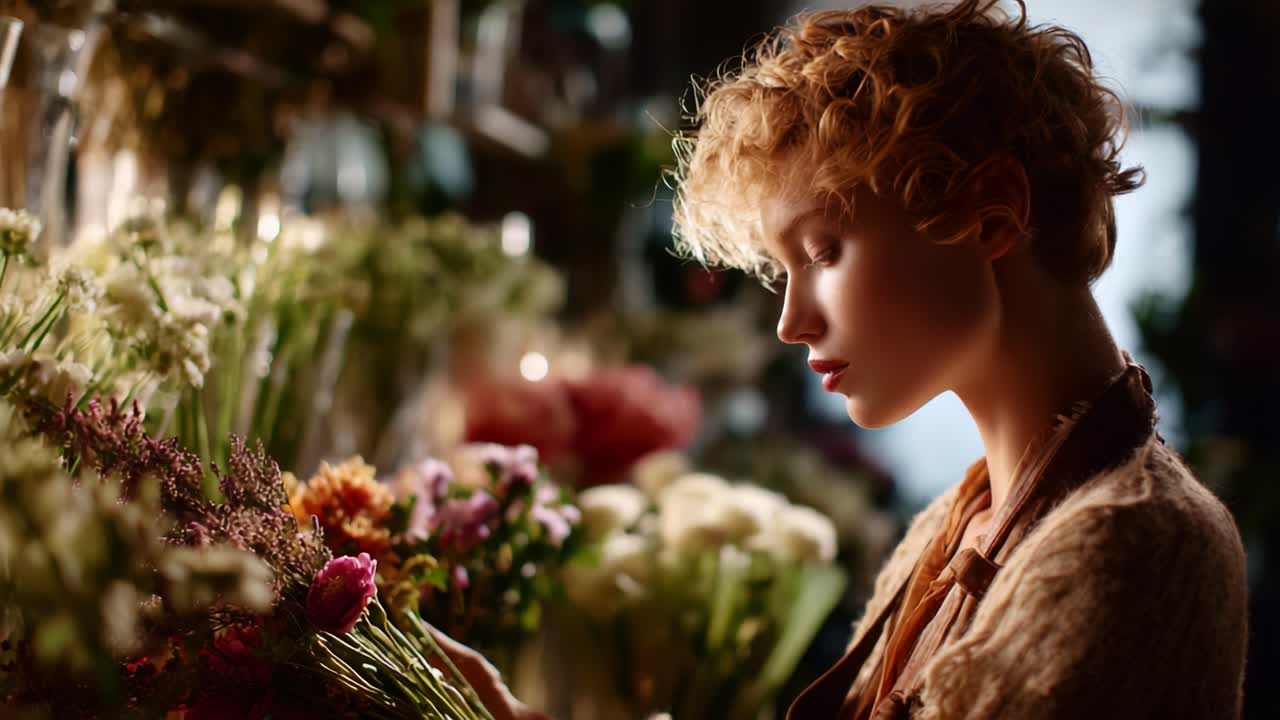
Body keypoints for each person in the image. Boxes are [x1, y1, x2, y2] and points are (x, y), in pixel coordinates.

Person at [442, 1, 1249, 718]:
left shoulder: (1131, 546)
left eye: (824, 251)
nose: (791, 322)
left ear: (992, 215)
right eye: (784, 268)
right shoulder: (965, 518)